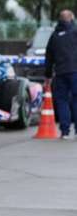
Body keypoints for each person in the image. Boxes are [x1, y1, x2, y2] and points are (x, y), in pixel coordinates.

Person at [44, 10, 77, 140]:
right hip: (75, 72)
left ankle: (64, 131)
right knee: (76, 100)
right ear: (71, 19)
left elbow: (49, 57)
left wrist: (48, 75)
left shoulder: (54, 36)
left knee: (62, 101)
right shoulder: (75, 33)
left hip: (61, 73)